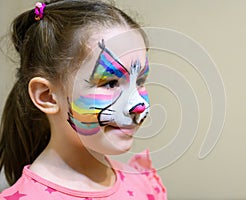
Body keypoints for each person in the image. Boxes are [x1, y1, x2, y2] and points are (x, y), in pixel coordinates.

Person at [0, 0, 167, 199]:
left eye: (139, 81)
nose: (139, 106)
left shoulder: (143, 184)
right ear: (47, 96)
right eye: (111, 83)